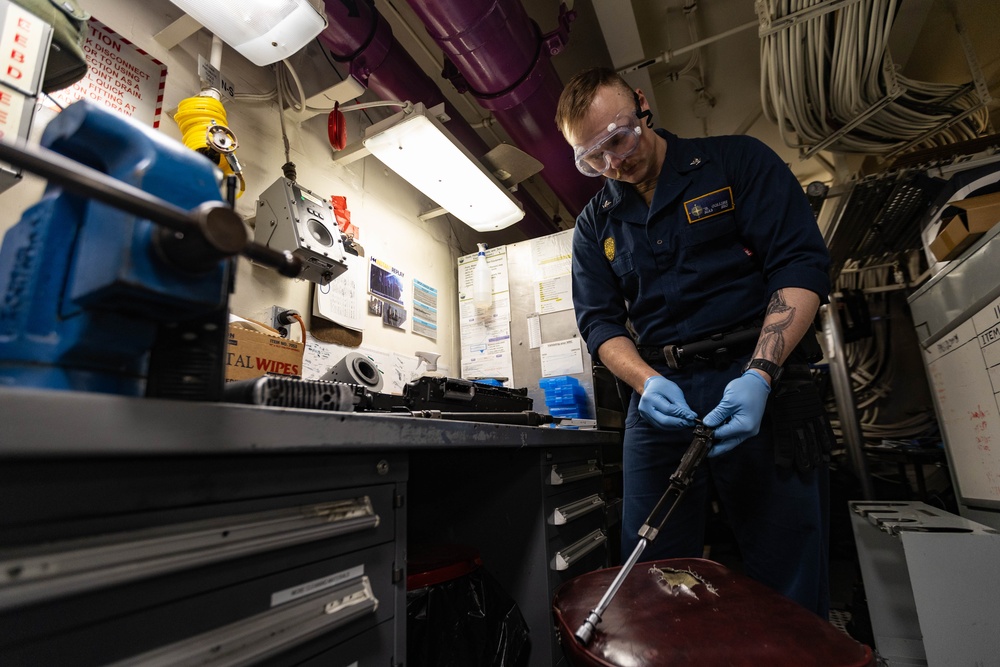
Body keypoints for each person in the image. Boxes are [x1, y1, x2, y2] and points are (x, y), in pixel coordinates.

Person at [556, 67, 834, 618]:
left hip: (759, 378)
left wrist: (760, 375)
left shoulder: (738, 162)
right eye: (594, 158)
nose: (614, 163)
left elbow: (799, 266)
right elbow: (601, 325)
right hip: (662, 398)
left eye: (619, 139)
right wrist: (647, 382)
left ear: (641, 106)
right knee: (653, 574)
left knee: (786, 570)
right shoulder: (595, 225)